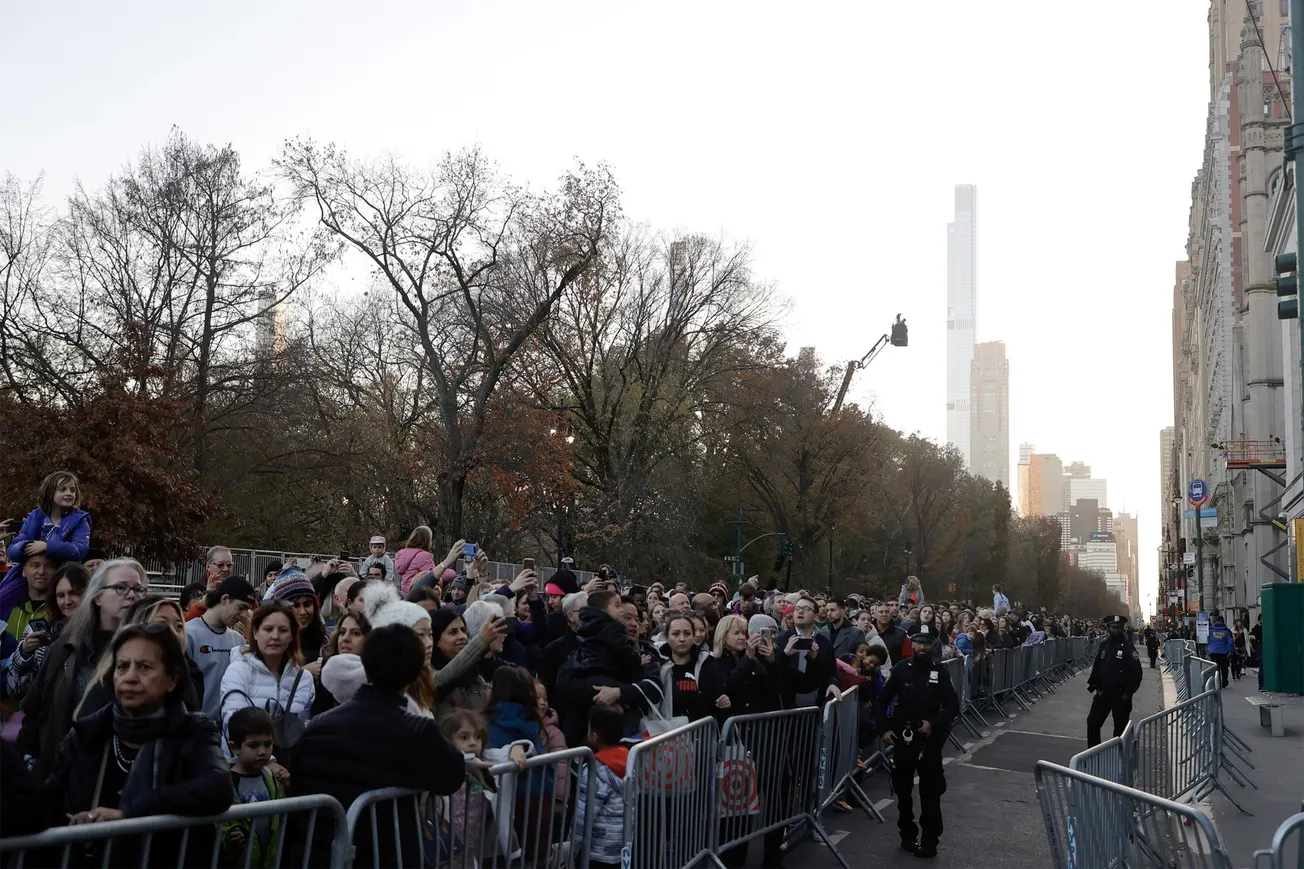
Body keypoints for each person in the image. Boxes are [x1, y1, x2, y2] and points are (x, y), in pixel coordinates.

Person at [45, 623, 233, 860]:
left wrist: (131, 812)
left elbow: (217, 788)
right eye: (122, 667)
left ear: (172, 679)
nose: (130, 677)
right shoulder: (86, 734)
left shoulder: (193, 733)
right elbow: (49, 800)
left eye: (144, 667)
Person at [289, 624, 466, 868]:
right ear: (416, 673)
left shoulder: (318, 726)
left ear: (366, 666)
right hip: (387, 855)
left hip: (320, 854)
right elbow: (451, 777)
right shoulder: (418, 730)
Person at [17, 559, 147, 778]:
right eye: (121, 587)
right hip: (64, 776)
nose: (132, 595)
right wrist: (32, 764)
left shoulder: (157, 650)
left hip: (128, 779)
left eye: (138, 589)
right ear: (97, 596)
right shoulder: (65, 648)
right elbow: (35, 710)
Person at [876, 628, 959, 859]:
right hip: (904, 738)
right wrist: (884, 729)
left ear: (933, 645)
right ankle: (907, 834)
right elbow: (881, 702)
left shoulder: (940, 672)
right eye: (918, 643)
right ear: (911, 644)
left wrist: (934, 723)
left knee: (931, 793)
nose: (922, 647)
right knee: (903, 791)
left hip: (929, 742)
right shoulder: (902, 670)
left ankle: (930, 840)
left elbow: (952, 706)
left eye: (926, 643)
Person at [219, 603, 315, 755]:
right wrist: (268, 763)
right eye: (268, 629)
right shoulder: (238, 671)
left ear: (291, 636)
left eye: (283, 630)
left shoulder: (304, 678)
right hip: (243, 768)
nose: (275, 636)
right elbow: (233, 723)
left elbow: (304, 726)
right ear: (255, 633)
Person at [0, 470, 91, 619]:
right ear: (49, 492)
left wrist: (47, 546)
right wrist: (26, 546)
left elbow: (79, 550)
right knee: (4, 596)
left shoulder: (80, 520)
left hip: (63, 574)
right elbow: (14, 549)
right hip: (33, 574)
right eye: (62, 489)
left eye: (72, 490)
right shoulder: (35, 517)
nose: (69, 493)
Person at [5, 562, 88, 704]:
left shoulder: (100, 631)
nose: (67, 601)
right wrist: (24, 654)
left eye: (73, 593)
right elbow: (14, 691)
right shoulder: (42, 630)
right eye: (61, 595)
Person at [222, 708, 287, 868]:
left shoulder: (271, 778)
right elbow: (221, 824)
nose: (262, 752)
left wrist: (286, 787)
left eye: (267, 744)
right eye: (253, 745)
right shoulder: (226, 783)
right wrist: (230, 837)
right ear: (235, 747)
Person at [186, 576, 257, 721]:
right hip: (196, 727)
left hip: (228, 728)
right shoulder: (188, 634)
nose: (243, 615)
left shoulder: (238, 639)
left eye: (247, 609)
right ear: (225, 599)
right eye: (241, 607)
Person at [570, 706, 629, 869]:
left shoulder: (594, 772)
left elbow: (584, 816)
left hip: (597, 853)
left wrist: (571, 851)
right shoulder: (630, 762)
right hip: (622, 849)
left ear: (594, 736)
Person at [1085, 615, 1143, 748]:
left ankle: (1119, 760)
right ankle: (1093, 753)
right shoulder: (1104, 645)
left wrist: (1128, 693)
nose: (1116, 630)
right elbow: (1098, 666)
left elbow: (1137, 673)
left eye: (1118, 628)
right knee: (1093, 722)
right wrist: (1096, 685)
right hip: (1103, 694)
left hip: (1120, 695)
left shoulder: (1128, 648)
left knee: (1120, 731)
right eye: (1113, 627)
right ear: (1108, 628)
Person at [776, 594, 840, 708]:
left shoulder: (824, 643)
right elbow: (774, 671)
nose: (800, 612)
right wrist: (785, 654)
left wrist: (833, 684)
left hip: (816, 704)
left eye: (805, 609)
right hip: (786, 706)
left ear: (815, 616)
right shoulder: (781, 639)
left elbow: (831, 672)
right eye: (797, 609)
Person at [1206, 613, 1233, 688]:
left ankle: (1217, 682)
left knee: (1215, 668)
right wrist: (1230, 651)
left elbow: (1207, 641)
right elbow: (1230, 643)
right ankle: (1224, 681)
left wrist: (1207, 650)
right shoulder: (1227, 631)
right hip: (1224, 652)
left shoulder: (1210, 630)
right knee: (1224, 668)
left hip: (1213, 651)